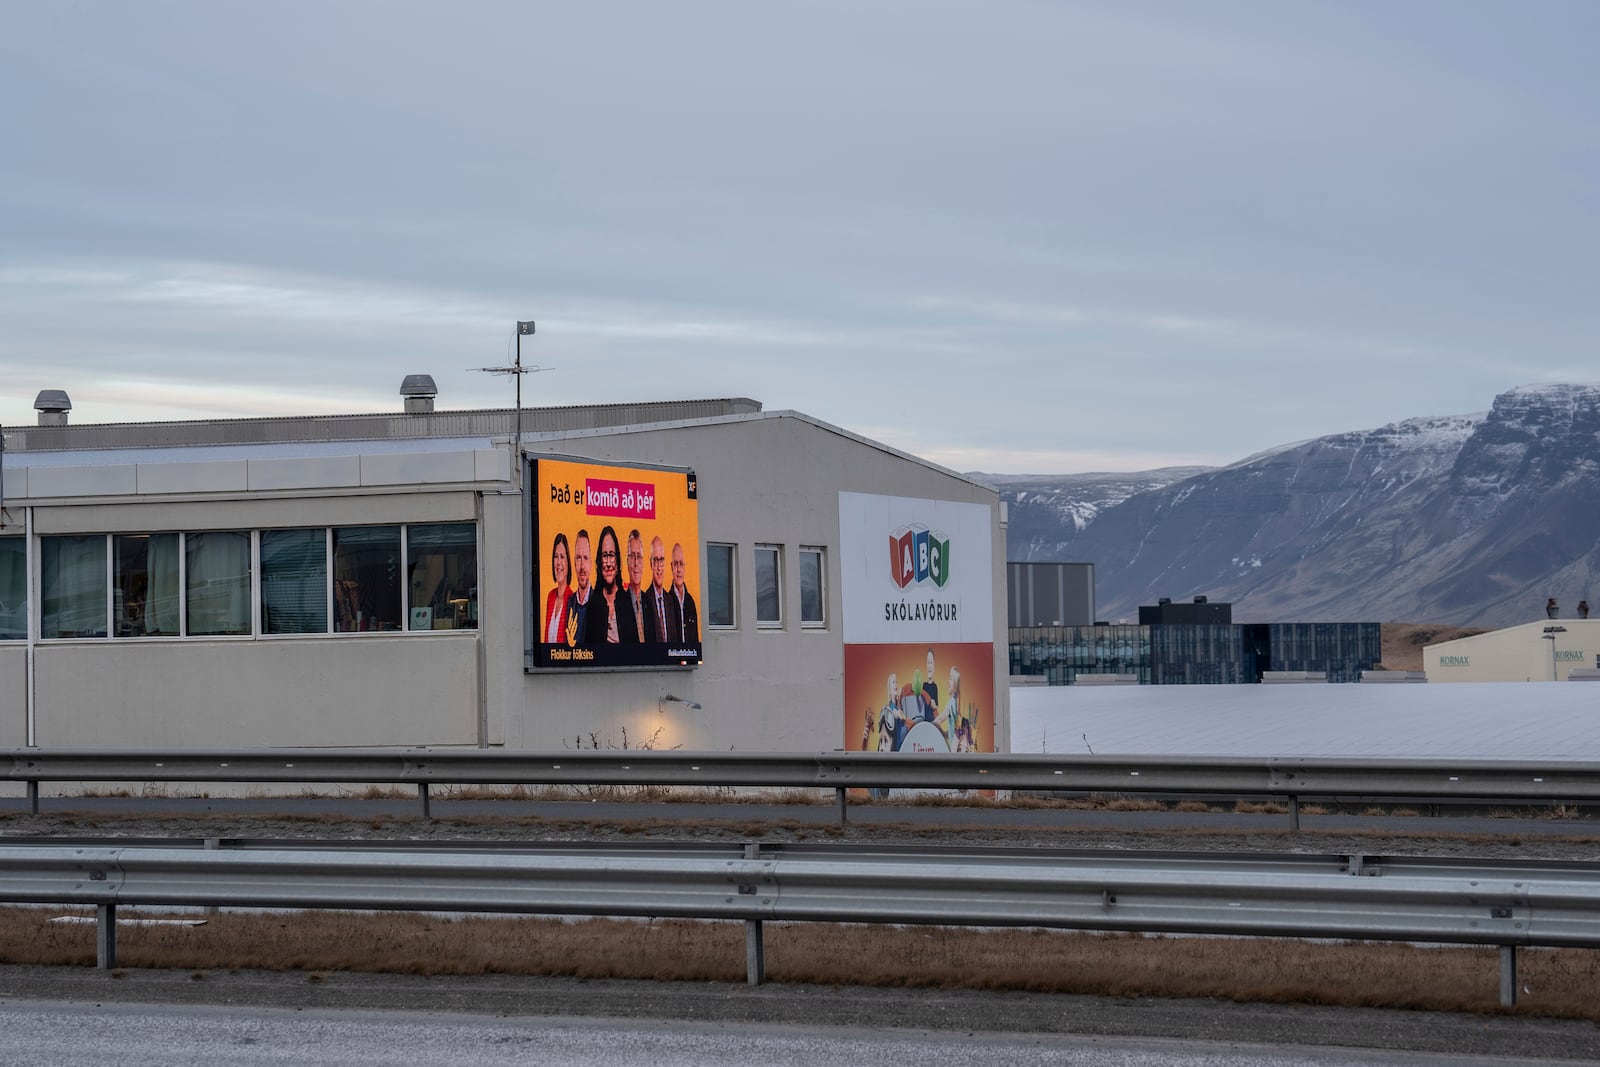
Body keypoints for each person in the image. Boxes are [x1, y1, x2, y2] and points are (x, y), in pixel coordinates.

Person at [586, 525, 625, 644]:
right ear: (599, 562)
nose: (608, 563)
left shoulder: (627, 601)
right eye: (604, 556)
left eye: (611, 555)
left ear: (617, 562)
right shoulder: (593, 605)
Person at [666, 541, 700, 644]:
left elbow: (695, 638)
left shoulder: (690, 602)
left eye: (681, 564)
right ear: (671, 567)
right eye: (676, 564)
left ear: (685, 567)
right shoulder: (666, 601)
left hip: (689, 657)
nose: (678, 569)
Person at [565, 529, 595, 645]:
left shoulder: (599, 602)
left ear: (591, 564)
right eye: (578, 558)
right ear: (574, 563)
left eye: (585, 558)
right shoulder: (569, 603)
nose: (582, 566)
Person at [542, 533, 572, 645]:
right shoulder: (550, 596)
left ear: (568, 563)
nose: (558, 562)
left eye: (562, 557)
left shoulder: (572, 599)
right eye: (556, 556)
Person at [622, 529, 649, 643]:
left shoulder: (649, 602)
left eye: (639, 556)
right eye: (633, 556)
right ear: (627, 561)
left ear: (643, 562)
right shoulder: (620, 602)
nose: (636, 563)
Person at [643, 535, 669, 643]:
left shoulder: (670, 601)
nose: (659, 568)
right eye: (656, 561)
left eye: (661, 560)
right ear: (650, 564)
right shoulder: (644, 600)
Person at [918, 647, 939, 722]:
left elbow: (936, 708)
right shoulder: (923, 686)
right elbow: (919, 706)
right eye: (928, 662)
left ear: (934, 667)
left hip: (932, 722)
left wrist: (934, 706)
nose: (929, 665)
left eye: (931, 662)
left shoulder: (935, 687)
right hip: (923, 721)